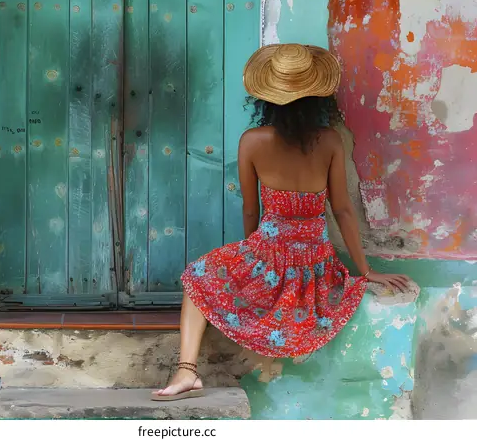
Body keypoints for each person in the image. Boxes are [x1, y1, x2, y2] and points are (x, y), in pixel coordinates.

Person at [152, 43, 411, 401]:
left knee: (197, 275)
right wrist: (365, 271)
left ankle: (187, 371)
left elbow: (249, 210)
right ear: (318, 99)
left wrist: (253, 260)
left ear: (266, 99)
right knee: (202, 274)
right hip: (315, 266)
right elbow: (343, 210)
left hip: (268, 253)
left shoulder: (252, 141)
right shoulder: (331, 142)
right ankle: (187, 373)